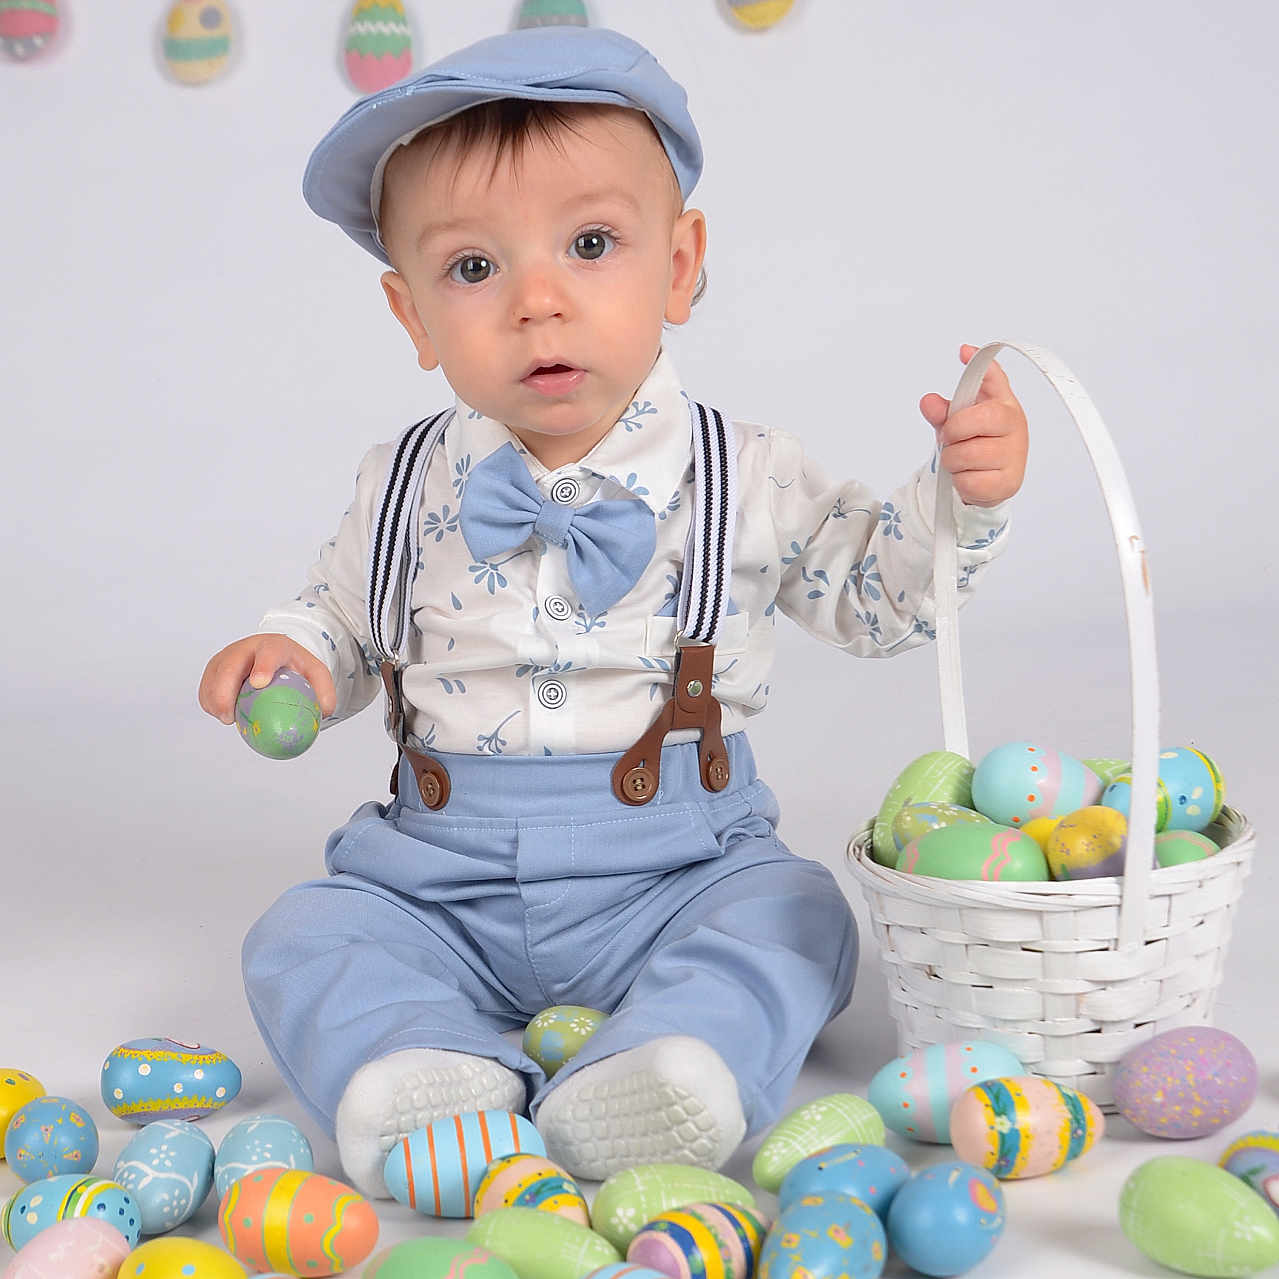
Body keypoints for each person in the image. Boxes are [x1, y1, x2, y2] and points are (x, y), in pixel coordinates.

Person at [198, 25, 1028, 1198]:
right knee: (303, 933)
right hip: (434, 876)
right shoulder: (403, 480)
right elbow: (345, 616)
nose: (537, 303)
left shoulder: (747, 472)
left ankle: (664, 1072)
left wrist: (958, 496)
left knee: (795, 916)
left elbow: (873, 602)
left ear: (679, 266)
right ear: (411, 314)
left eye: (590, 246)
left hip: (676, 867)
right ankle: (420, 1067)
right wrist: (290, 654)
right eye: (472, 269)